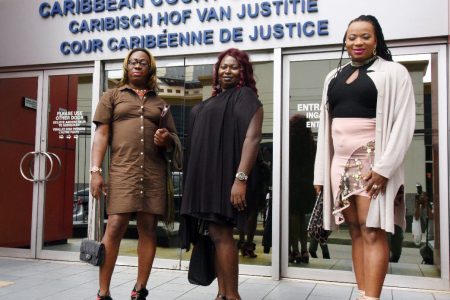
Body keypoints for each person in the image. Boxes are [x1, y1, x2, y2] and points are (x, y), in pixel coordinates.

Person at [313, 15, 415, 300]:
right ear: (345, 42)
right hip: (338, 163)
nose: (357, 42)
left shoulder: (395, 73)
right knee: (355, 231)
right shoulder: (332, 77)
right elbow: (325, 128)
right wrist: (320, 174)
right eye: (351, 37)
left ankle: (372, 297)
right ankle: (362, 293)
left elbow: (403, 125)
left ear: (377, 40)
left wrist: (384, 168)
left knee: (372, 231)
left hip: (372, 162)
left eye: (365, 37)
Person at [90, 48, 181, 300]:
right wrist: (96, 170)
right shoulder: (112, 96)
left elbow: (173, 140)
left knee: (148, 228)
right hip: (123, 172)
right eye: (133, 62)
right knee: (116, 226)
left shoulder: (160, 103)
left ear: (150, 68)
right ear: (126, 66)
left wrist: (165, 139)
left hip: (153, 173)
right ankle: (103, 291)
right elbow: (101, 135)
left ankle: (140, 288)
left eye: (142, 62)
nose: (137, 65)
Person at [181, 48, 263, 300]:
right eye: (223, 67)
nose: (227, 71)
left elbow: (253, 138)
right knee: (215, 235)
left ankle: (233, 295)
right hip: (204, 180)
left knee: (222, 234)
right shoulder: (209, 103)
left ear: (243, 72)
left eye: (234, 67)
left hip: (228, 178)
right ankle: (221, 293)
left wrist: (240, 179)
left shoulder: (245, 96)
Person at [288, 114, 316, 264]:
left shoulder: (289, 142)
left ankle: (295, 251)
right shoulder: (310, 142)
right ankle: (305, 250)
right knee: (302, 217)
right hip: (307, 182)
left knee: (292, 216)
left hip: (291, 182)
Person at [237, 148, 270, 258]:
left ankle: (243, 242)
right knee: (252, 213)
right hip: (254, 180)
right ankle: (248, 244)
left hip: (244, 177)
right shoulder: (255, 147)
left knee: (243, 211)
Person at [387, 185, 405, 263]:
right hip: (386, 221)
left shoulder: (401, 187)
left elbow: (398, 201)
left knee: (396, 251)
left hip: (396, 221)